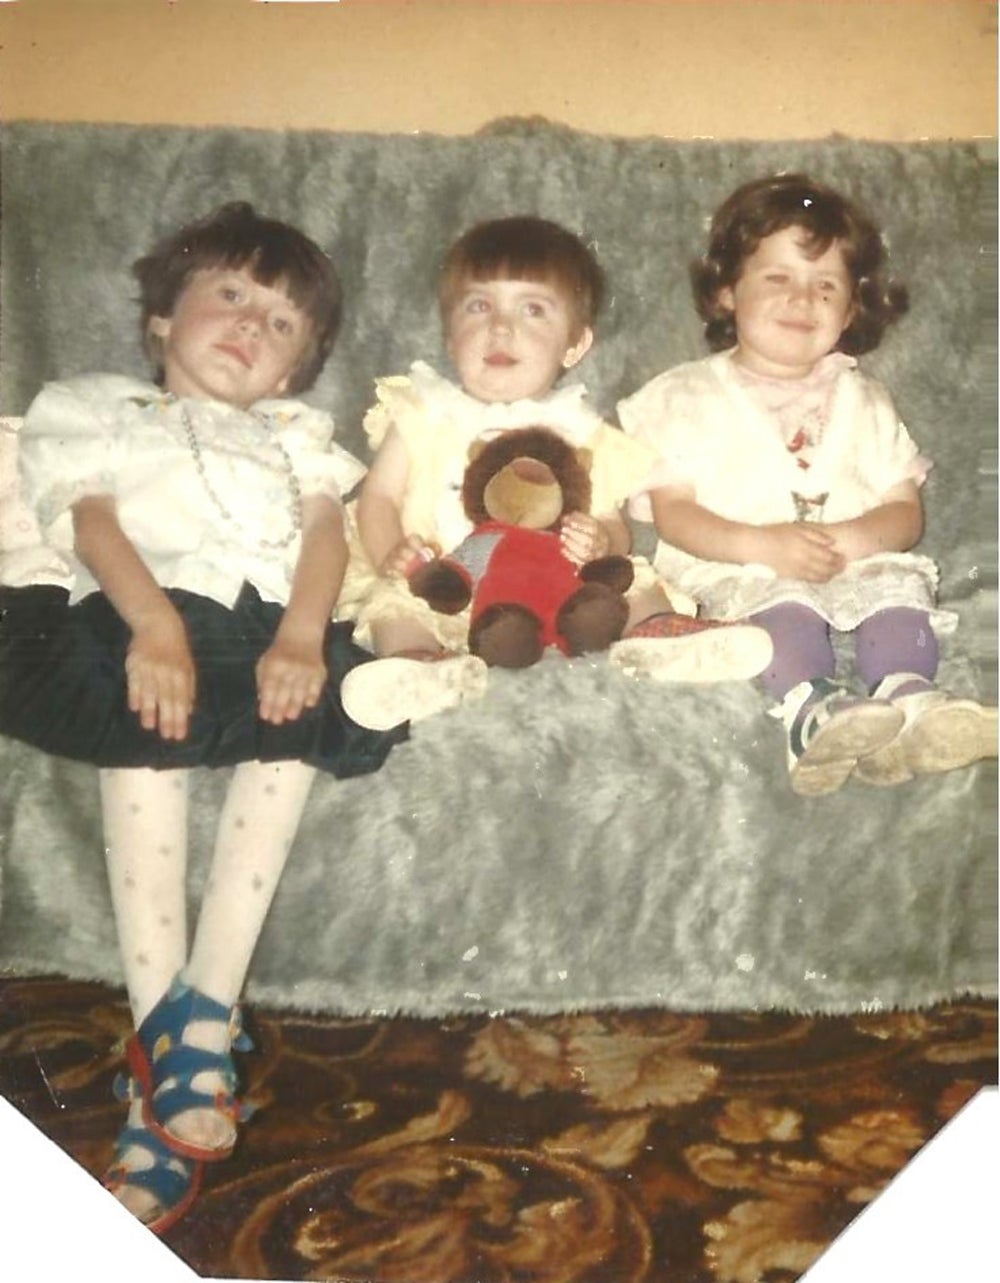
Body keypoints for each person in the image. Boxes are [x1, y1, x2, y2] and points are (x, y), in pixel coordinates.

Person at [0, 203, 403, 1231]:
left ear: (295, 371)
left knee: (305, 717)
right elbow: (89, 522)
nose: (250, 325)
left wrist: (305, 635)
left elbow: (325, 536)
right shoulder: (92, 405)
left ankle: (201, 1025)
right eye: (229, 295)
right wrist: (152, 628)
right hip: (144, 614)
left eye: (281, 324)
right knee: (140, 724)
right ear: (159, 322)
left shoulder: (297, 435)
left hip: (271, 621)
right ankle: (165, 1049)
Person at [618, 173, 996, 796]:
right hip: (741, 564)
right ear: (724, 293)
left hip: (850, 559)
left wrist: (856, 539)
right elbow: (675, 514)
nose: (803, 299)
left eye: (827, 286)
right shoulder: (683, 395)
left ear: (850, 312)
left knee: (898, 594)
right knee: (781, 613)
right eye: (777, 279)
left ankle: (910, 698)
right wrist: (760, 545)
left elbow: (905, 511)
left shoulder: (866, 399)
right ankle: (812, 708)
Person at [339, 215, 771, 731]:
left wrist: (600, 541)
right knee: (396, 607)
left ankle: (659, 633)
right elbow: (379, 498)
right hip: (447, 584)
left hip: (557, 585)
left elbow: (612, 523)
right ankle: (419, 667)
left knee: (632, 575)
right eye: (479, 306)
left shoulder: (579, 431)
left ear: (574, 345)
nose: (501, 327)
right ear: (450, 336)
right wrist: (395, 553)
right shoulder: (423, 412)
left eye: (533, 310)